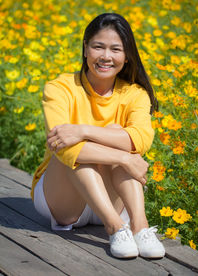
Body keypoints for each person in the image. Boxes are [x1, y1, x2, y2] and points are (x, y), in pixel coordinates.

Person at [31, 13, 165, 259]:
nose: (106, 56)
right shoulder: (60, 87)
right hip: (64, 202)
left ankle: (139, 227)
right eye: (98, 47)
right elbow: (62, 147)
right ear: (85, 49)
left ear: (126, 57)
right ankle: (115, 227)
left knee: (113, 133)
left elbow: (141, 140)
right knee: (89, 144)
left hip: (114, 197)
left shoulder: (135, 94)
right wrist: (124, 158)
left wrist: (83, 130)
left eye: (115, 49)